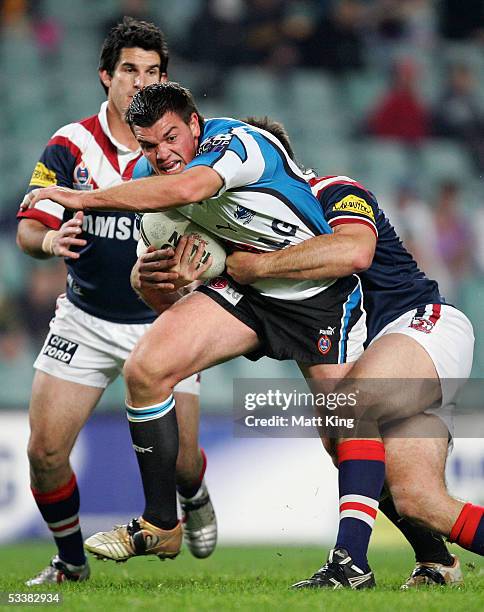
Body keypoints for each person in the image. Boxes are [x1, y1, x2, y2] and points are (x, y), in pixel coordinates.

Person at [23, 82, 374, 573]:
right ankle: (162, 524)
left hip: (315, 292)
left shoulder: (239, 142)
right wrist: (160, 280)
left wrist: (81, 199)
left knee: (346, 437)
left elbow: (189, 188)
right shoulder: (147, 179)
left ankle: (406, 551)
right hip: (245, 291)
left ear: (193, 124)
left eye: (171, 138)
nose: (162, 154)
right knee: (146, 368)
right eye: (148, 144)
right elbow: (160, 295)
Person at [223, 119, 480, 589]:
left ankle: (349, 565)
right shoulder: (255, 236)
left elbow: (358, 252)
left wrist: (256, 267)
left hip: (423, 325)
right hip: (386, 355)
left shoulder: (334, 190)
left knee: (349, 410)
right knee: (419, 500)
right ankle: (435, 562)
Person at [16, 20, 216, 586]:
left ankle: (194, 492)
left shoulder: (182, 149)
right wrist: (51, 240)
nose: (140, 81)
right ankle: (70, 564)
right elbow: (29, 229)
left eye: (153, 72)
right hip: (85, 317)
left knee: (179, 460)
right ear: (106, 75)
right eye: (129, 69)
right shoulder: (69, 145)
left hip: (166, 320)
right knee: (45, 453)